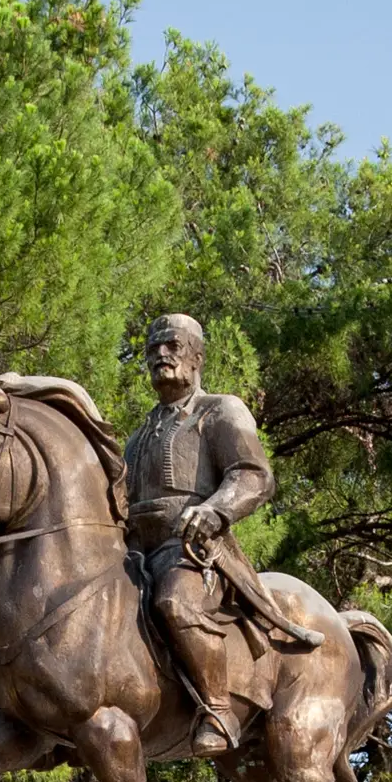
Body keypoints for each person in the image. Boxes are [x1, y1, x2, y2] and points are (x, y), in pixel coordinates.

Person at [121, 313, 299, 757]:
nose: (160, 355)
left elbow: (253, 476)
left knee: (174, 603)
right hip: (136, 553)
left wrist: (215, 510)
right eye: (152, 349)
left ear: (197, 356)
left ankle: (218, 709)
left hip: (191, 551)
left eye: (172, 346)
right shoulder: (139, 434)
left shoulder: (220, 410)